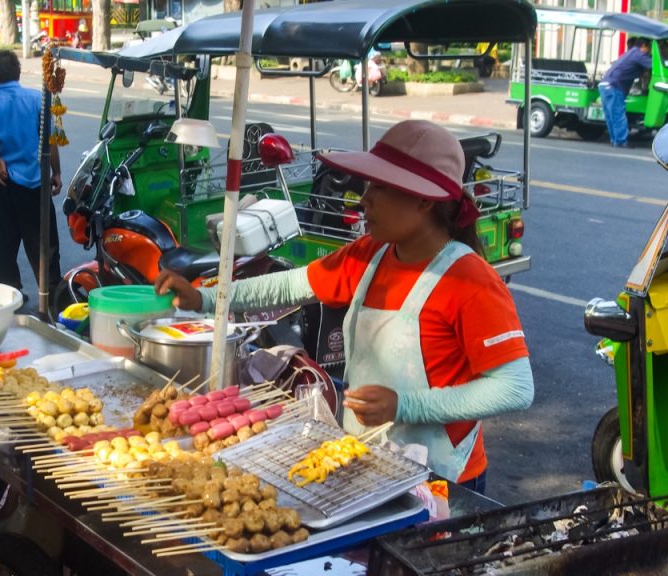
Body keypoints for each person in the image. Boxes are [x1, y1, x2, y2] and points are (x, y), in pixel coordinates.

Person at [155, 120, 534, 493]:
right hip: (367, 457)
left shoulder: (469, 280)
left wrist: (405, 405)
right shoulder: (371, 254)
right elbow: (291, 285)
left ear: (423, 200)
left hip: (441, 479)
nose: (363, 198)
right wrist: (208, 297)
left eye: (380, 187)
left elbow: (514, 389)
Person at [0, 49, 62, 300]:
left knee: (5, 240)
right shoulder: (38, 99)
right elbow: (50, 141)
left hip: (3, 180)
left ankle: (11, 295)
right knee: (43, 240)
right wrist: (57, 172)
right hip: (36, 182)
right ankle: (50, 294)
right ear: (18, 73)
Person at [599, 37, 652, 148]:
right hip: (614, 86)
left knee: (611, 116)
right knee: (618, 114)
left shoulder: (631, 53)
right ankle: (621, 141)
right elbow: (654, 65)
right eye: (649, 48)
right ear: (643, 46)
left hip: (605, 85)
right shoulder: (639, 54)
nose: (649, 51)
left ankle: (615, 140)